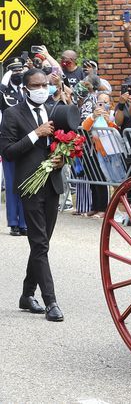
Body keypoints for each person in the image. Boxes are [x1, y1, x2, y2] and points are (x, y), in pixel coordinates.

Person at [0, 68, 66, 321]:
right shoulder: (12, 113)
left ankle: (27, 295)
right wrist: (35, 134)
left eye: (45, 85)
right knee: (39, 243)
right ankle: (51, 302)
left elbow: (64, 141)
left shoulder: (53, 110)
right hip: (29, 185)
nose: (42, 90)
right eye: (36, 86)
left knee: (42, 243)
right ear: (26, 88)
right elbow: (8, 151)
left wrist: (62, 158)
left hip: (52, 184)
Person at [1, 57, 28, 235]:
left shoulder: (28, 91)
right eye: (14, 71)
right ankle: (13, 223)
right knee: (12, 185)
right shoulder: (4, 92)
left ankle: (25, 223)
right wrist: (4, 83)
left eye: (20, 70)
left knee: (26, 184)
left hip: (27, 143)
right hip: (10, 143)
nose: (18, 74)